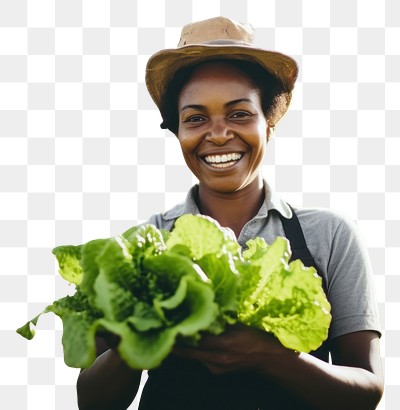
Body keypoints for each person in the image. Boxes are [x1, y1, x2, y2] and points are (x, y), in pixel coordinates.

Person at [76, 17, 384, 409]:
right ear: (177, 133)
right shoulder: (141, 247)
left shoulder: (329, 234)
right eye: (196, 118)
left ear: (268, 125)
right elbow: (92, 400)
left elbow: (367, 389)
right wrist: (141, 332)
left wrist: (271, 356)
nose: (218, 134)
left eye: (239, 114)